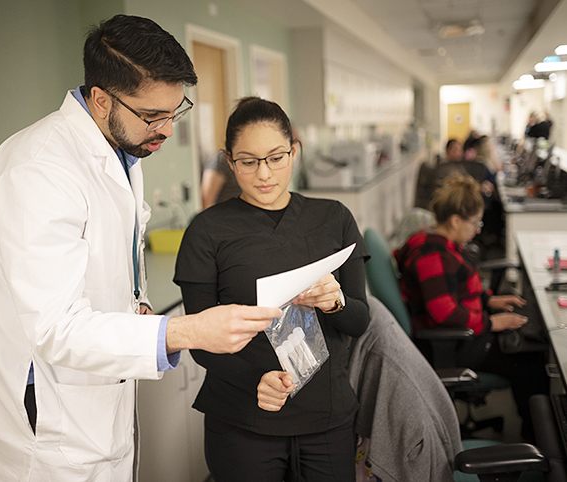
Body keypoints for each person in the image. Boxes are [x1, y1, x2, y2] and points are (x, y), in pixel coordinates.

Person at [0, 15, 281, 481]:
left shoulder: (122, 148)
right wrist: (182, 332)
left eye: (175, 111)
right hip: (43, 425)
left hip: (96, 402)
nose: (168, 129)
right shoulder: (39, 168)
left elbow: (110, 264)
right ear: (101, 98)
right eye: (153, 116)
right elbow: (55, 328)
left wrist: (140, 308)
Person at [174, 97, 370, 481]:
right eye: (248, 161)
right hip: (242, 416)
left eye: (276, 157)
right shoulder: (208, 230)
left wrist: (336, 302)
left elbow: (359, 321)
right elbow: (197, 339)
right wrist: (255, 381)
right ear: (229, 162)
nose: (264, 174)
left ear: (294, 152)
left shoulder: (334, 218)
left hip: (325, 417)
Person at [394, 173, 549, 440]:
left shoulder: (442, 243)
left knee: (528, 342)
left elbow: (456, 289)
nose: (478, 229)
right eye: (475, 222)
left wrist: (489, 301)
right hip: (452, 346)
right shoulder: (432, 255)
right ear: (455, 220)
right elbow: (445, 312)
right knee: (531, 361)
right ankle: (538, 442)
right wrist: (491, 322)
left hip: (461, 334)